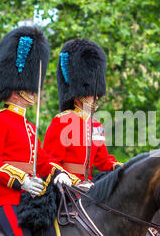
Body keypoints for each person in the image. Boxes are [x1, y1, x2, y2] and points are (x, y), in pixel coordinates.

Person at [0, 26, 79, 236]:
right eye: (31, 87)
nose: (35, 92)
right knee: (20, 235)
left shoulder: (29, 126)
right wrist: (21, 179)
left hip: (29, 196)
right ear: (15, 87)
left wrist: (62, 176)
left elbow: (42, 160)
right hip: (3, 194)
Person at [43, 38, 122, 183]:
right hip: (65, 186)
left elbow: (103, 160)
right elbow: (50, 160)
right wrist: (67, 179)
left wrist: (123, 168)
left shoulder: (96, 125)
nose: (96, 96)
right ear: (77, 95)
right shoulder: (62, 121)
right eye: (91, 92)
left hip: (89, 184)